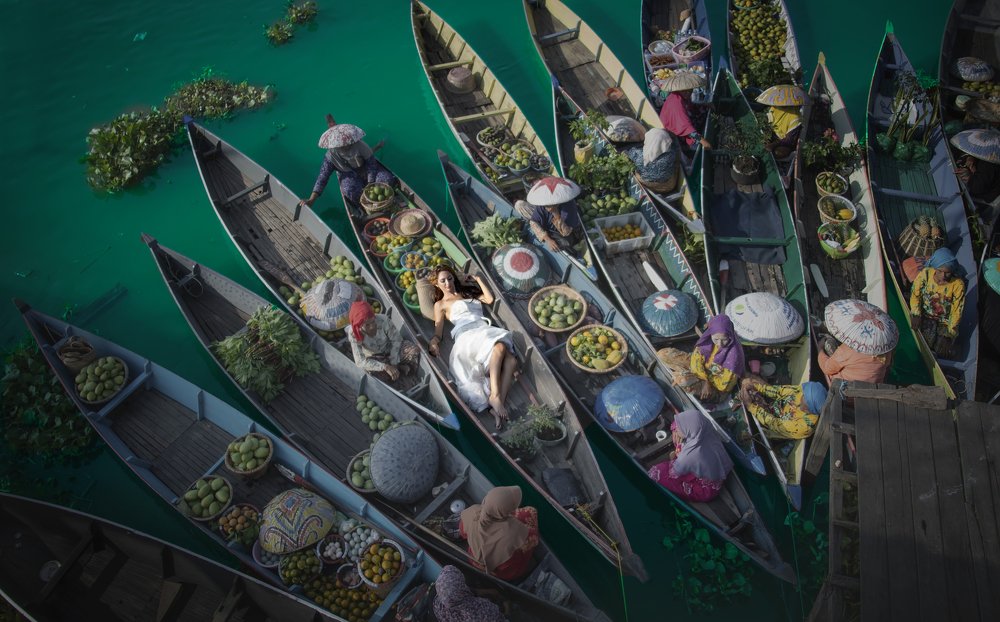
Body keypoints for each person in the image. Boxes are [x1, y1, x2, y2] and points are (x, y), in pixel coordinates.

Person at [429, 265, 518, 427]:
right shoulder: (440, 304)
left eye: (449, 278)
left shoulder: (466, 292)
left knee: (512, 361)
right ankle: (495, 397)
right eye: (443, 281)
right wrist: (434, 343)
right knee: (500, 348)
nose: (448, 283)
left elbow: (489, 299)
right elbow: (438, 333)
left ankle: (497, 401)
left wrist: (478, 280)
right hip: (466, 336)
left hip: (483, 330)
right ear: (436, 284)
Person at [301, 114, 396, 206]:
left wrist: (370, 182)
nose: (345, 144)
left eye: (346, 140)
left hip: (366, 168)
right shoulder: (330, 156)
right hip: (348, 175)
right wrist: (311, 199)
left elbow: (372, 164)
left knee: (386, 180)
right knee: (350, 191)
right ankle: (364, 206)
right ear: (335, 144)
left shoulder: (360, 145)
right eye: (341, 143)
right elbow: (322, 178)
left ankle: (380, 200)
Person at [646, 410, 733, 503]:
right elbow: (680, 421)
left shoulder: (689, 456)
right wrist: (676, 430)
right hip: (714, 469)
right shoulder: (705, 426)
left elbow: (675, 472)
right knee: (680, 442)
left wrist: (673, 458)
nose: (677, 428)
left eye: (679, 428)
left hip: (706, 489)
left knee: (656, 474)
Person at [459, 486, 539, 582]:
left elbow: (463, 533)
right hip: (505, 572)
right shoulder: (515, 532)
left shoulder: (472, 511)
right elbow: (534, 540)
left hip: (474, 560)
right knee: (531, 511)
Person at [909, 247, 966, 358]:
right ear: (935, 268)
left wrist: (949, 335)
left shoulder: (958, 285)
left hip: (945, 321)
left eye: (947, 273)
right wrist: (916, 313)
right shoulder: (925, 274)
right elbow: (915, 294)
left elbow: (957, 311)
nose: (943, 276)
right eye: (940, 271)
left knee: (942, 350)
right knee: (924, 343)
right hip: (925, 315)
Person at [347, 300, 419, 382]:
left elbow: (397, 340)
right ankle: (399, 369)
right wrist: (384, 367)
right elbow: (360, 361)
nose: (372, 327)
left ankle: (398, 367)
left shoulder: (383, 320)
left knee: (413, 350)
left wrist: (394, 361)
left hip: (391, 350)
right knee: (372, 374)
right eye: (367, 325)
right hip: (375, 357)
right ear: (359, 326)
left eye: (373, 321)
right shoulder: (354, 333)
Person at [739, 379, 827, 440]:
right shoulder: (801, 391)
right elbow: (779, 391)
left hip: (773, 427)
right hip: (772, 407)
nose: (801, 398)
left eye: (804, 401)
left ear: (809, 409)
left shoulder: (805, 426)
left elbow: (774, 423)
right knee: (748, 381)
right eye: (803, 395)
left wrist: (750, 406)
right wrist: (756, 387)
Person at [514, 183, 586, 254]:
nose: (547, 205)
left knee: (566, 242)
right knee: (520, 205)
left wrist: (555, 213)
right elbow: (533, 222)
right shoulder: (543, 204)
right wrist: (547, 239)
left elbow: (566, 232)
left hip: (567, 232)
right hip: (549, 228)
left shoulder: (568, 206)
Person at [689, 314, 745, 402]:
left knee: (687, 386)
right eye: (716, 339)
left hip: (716, 388)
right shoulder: (706, 341)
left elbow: (725, 385)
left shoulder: (734, 356)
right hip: (703, 377)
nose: (720, 343)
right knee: (666, 354)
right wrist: (705, 380)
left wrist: (707, 383)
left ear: (730, 336)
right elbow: (695, 360)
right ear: (710, 334)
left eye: (724, 339)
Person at [432, 565, 508, 622]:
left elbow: (461, 593)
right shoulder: (482, 609)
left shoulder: (438, 604)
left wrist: (484, 591)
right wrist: (506, 606)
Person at [621, 128, 681, 193]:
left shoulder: (638, 154)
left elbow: (626, 152)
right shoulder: (671, 154)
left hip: (646, 185)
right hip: (669, 186)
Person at [817, 337, 893, 384]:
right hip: (870, 393)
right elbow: (887, 365)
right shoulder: (886, 350)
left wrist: (820, 349)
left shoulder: (848, 349)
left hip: (845, 394)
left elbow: (826, 368)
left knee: (828, 345)